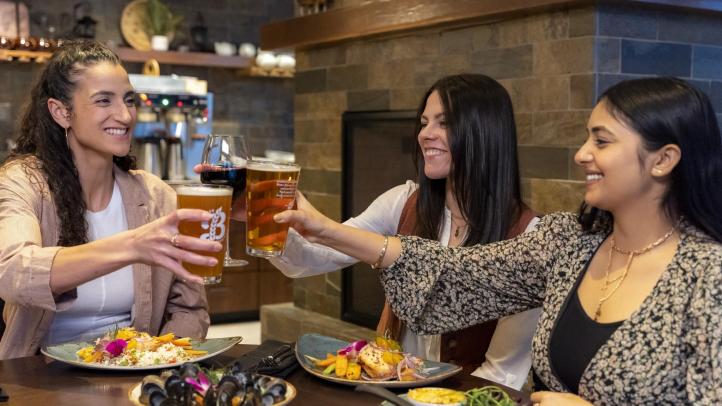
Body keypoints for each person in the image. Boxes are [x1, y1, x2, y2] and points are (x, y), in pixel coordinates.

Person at [274, 77, 722, 404]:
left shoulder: (709, 276)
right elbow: (456, 275)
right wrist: (322, 228)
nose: (581, 153)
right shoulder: (569, 242)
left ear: (663, 160)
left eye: (601, 141)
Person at [269, 74, 540, 390]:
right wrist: (266, 221)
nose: (425, 134)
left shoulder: (529, 236)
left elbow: (502, 373)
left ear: (485, 133)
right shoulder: (403, 201)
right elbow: (310, 259)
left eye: (443, 122)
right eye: (424, 122)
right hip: (390, 391)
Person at [0, 40, 220, 360]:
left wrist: (155, 359)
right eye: (104, 100)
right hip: (38, 379)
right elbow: (12, 272)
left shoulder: (156, 196)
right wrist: (130, 246)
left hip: (131, 381)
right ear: (61, 112)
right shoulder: (24, 181)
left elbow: (189, 308)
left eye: (129, 100)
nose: (125, 115)